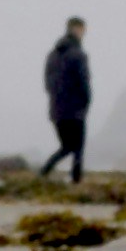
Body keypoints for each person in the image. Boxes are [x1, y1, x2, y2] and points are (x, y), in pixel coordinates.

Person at [40, 15, 92, 182]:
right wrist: (86, 101)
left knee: (67, 146)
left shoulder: (52, 55)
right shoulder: (78, 54)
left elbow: (47, 83)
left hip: (56, 108)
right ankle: (76, 181)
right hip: (75, 108)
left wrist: (55, 98)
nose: (84, 33)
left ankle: (44, 171)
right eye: (83, 29)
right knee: (77, 148)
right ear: (76, 29)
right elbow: (84, 81)